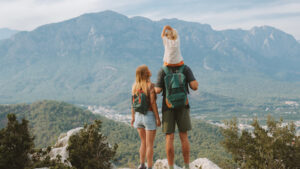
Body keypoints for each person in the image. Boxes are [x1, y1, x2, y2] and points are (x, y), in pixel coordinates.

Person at [155, 25, 198, 169]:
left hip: (167, 107)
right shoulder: (185, 68)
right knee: (184, 136)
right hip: (183, 105)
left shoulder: (163, 70)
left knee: (170, 137)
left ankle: (172, 166)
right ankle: (186, 166)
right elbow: (194, 86)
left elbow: (157, 90)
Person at [131, 65, 161, 169]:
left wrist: (133, 118)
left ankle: (142, 164)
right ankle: (150, 167)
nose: (150, 70)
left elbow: (132, 103)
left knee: (143, 142)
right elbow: (153, 103)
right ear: (145, 73)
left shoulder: (135, 86)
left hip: (138, 116)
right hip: (148, 116)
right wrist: (157, 118)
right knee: (150, 145)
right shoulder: (150, 86)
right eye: (148, 70)